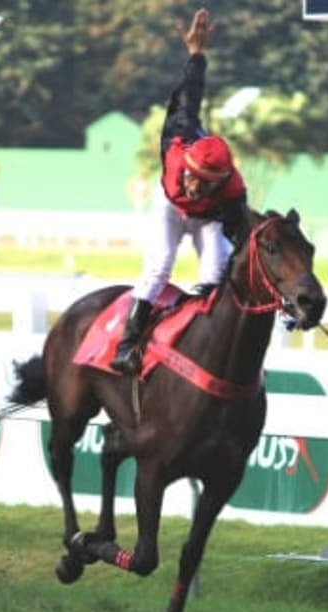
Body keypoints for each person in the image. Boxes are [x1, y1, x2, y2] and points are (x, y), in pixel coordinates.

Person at [110, 7, 248, 376]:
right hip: (169, 208)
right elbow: (191, 94)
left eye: (205, 182)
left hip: (208, 217)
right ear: (186, 161)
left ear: (222, 181)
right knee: (158, 266)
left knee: (216, 269)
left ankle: (206, 346)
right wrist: (196, 55)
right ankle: (126, 345)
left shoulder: (232, 192)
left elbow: (245, 243)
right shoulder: (179, 133)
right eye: (193, 176)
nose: (194, 184)